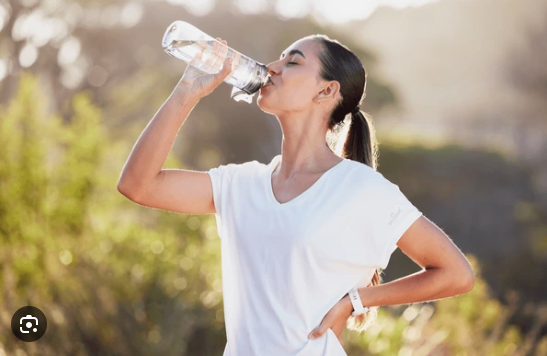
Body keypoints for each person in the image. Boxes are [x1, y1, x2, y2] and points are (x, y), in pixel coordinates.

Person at [117, 35, 475, 356]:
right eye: (279, 59)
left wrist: (359, 299)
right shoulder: (242, 184)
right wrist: (187, 91)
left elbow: (456, 273)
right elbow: (138, 185)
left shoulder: (361, 189)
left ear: (326, 91)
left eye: (293, 62)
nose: (272, 68)